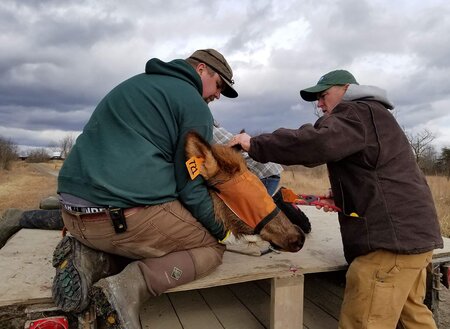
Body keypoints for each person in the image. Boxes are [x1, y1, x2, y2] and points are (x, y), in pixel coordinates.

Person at [229, 69, 443, 328]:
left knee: (362, 322)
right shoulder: (376, 116)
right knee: (412, 317)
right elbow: (381, 175)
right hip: (414, 238)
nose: (319, 104)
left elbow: (316, 144)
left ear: (345, 89)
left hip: (390, 246)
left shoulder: (356, 111)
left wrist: (254, 144)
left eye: (323, 95)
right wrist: (344, 197)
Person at [52, 49, 240, 328]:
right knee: (211, 246)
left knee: (151, 231)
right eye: (219, 85)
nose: (218, 95)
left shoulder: (133, 85)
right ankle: (130, 288)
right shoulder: (194, 106)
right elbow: (191, 188)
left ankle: (92, 257)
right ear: (201, 70)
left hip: (71, 212)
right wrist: (222, 230)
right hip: (120, 217)